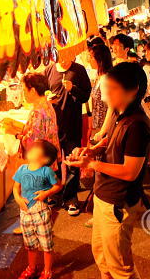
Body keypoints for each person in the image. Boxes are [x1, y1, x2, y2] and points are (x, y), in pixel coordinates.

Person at [66, 62, 150, 279]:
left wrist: (91, 165)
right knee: (102, 256)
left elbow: (130, 171)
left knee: (120, 268)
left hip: (118, 203)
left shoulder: (137, 125)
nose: (105, 94)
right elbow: (111, 141)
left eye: (112, 88)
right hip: (103, 196)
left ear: (131, 91)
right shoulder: (119, 113)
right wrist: (92, 150)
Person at [46, 55, 92, 216]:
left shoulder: (78, 70)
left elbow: (86, 95)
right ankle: (55, 193)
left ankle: (71, 198)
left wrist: (73, 88)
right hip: (53, 124)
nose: (62, 60)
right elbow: (45, 91)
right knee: (54, 161)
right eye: (59, 56)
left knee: (73, 161)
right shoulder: (50, 69)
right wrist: (47, 99)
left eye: (65, 56)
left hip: (72, 123)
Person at [13, 139, 62, 279]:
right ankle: (32, 267)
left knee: (46, 244)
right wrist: (17, 198)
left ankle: (47, 270)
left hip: (41, 211)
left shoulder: (47, 171)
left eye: (35, 149)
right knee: (30, 244)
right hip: (25, 213)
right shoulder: (22, 169)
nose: (30, 149)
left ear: (45, 158)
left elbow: (58, 185)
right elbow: (16, 188)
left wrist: (46, 193)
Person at [21, 73, 61, 157]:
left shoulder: (38, 112)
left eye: (24, 90)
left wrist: (18, 136)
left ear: (32, 91)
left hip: (41, 160)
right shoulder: (47, 104)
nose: (23, 94)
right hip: (48, 157)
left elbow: (33, 142)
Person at [89, 44, 114, 142]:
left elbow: (111, 107)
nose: (89, 60)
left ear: (99, 60)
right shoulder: (99, 77)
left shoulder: (105, 79)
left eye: (91, 57)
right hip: (98, 126)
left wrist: (102, 131)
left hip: (104, 127)